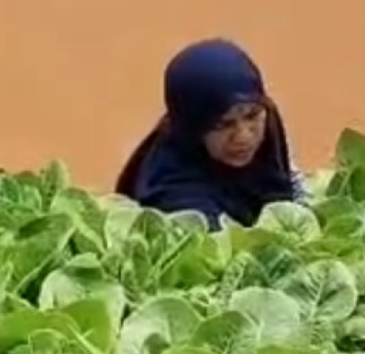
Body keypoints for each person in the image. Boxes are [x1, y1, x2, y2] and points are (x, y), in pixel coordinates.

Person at [115, 38, 302, 229]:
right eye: (223, 125)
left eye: (252, 116)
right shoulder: (179, 202)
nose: (244, 136)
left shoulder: (265, 114)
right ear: (192, 128)